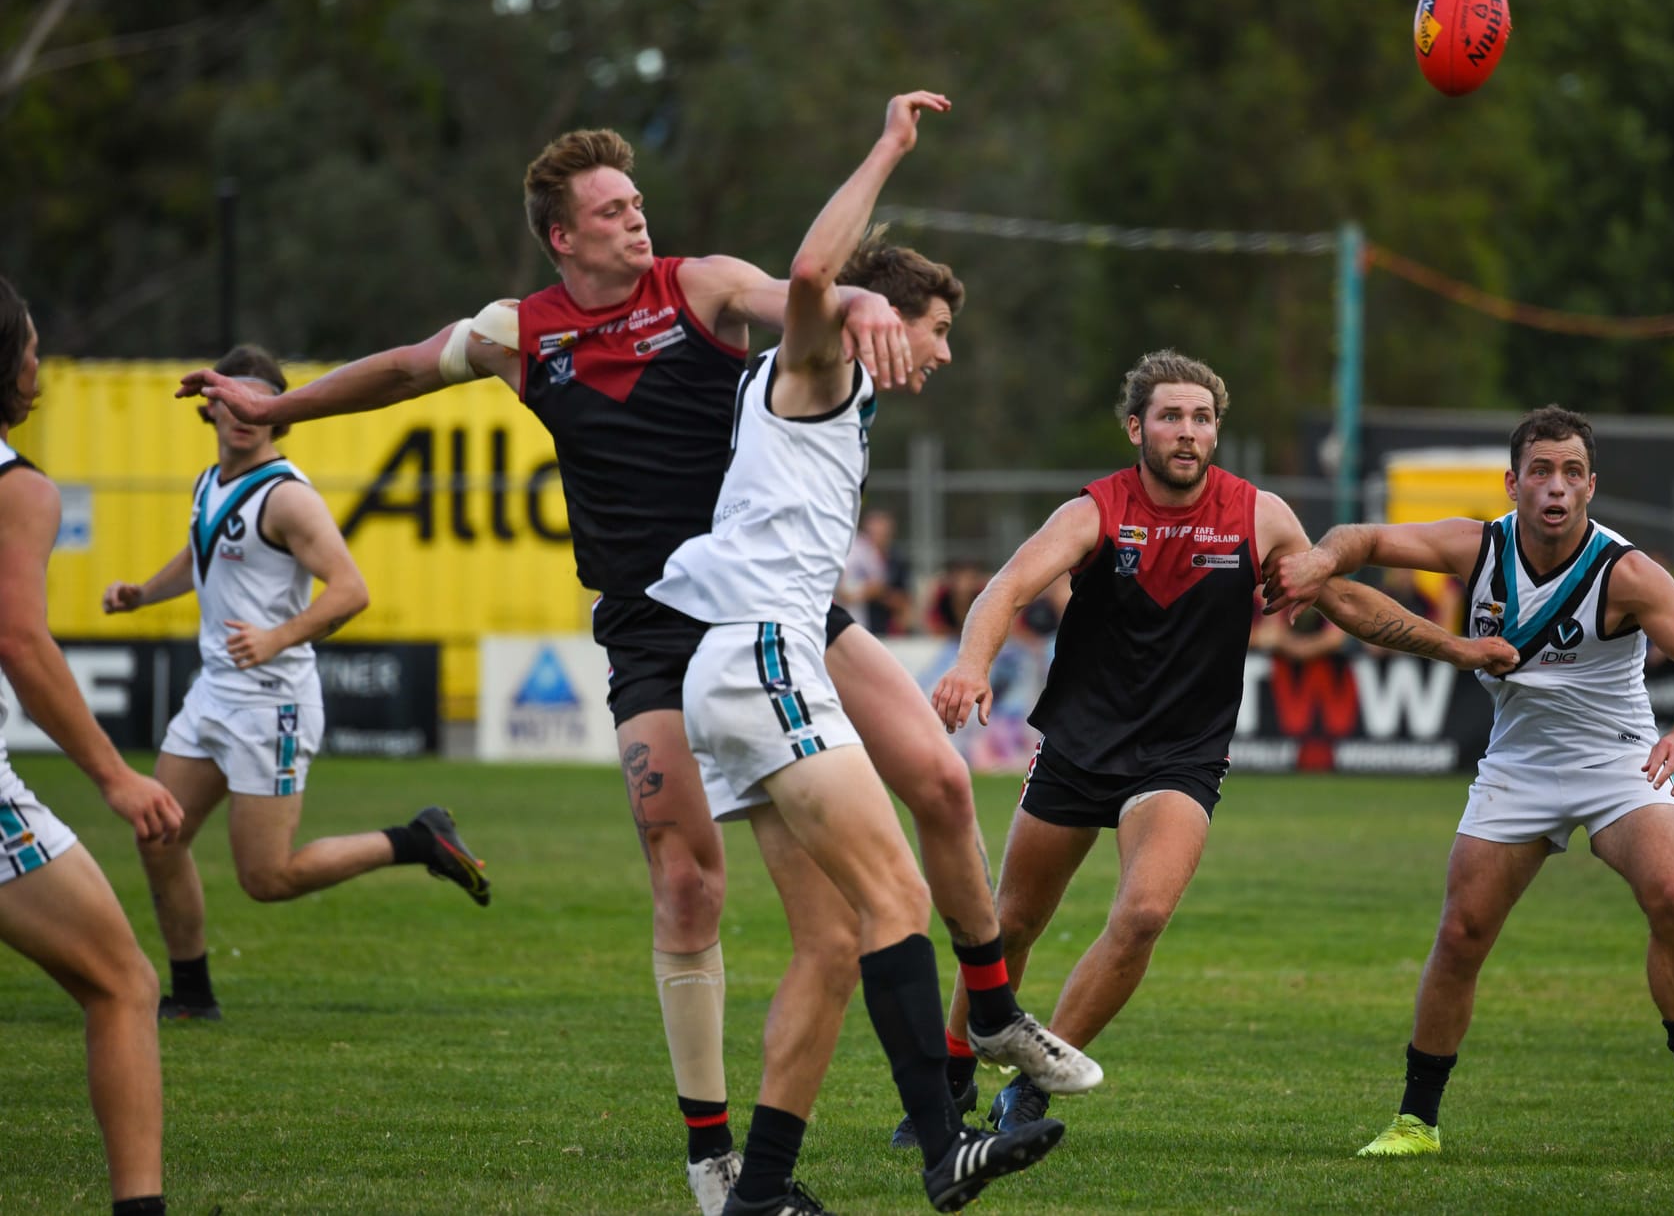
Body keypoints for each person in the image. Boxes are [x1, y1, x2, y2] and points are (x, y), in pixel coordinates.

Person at [179, 97, 1082, 1216]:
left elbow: (787, 291)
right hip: (657, 629)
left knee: (943, 780)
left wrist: (857, 298)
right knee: (690, 878)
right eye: (610, 210)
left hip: (765, 605)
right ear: (560, 235)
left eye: (637, 201)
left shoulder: (696, 286)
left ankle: (984, 1013)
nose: (634, 221)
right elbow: (407, 368)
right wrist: (284, 406)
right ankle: (720, 1162)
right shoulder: (523, 331)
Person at [650, 89, 1088, 1216]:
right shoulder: (821, 364)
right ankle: (947, 1147)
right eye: (936, 330)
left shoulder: (810, 395)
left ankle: (762, 1192)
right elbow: (806, 279)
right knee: (897, 893)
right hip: (760, 662)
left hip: (737, 668)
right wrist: (888, 148)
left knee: (835, 939)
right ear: (884, 318)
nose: (942, 352)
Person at [931, 350, 1521, 1137]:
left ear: (1217, 430)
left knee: (1142, 914)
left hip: (1183, 755)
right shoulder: (1096, 510)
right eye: (1171, 416)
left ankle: (1032, 1088)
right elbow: (1007, 586)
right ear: (1137, 426)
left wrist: (1457, 648)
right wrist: (972, 663)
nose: (1187, 431)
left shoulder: (1258, 513)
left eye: (1202, 417)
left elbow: (1335, 593)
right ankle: (949, 1080)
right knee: (1012, 923)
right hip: (1080, 743)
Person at [1265, 404, 1674, 1157]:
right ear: (1513, 481)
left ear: (1592, 485)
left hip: (1619, 757)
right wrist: (1319, 562)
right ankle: (1415, 1120)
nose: (1555, 487)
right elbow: (1361, 539)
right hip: (1520, 763)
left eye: (1571, 472)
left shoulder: (1626, 571)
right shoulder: (1478, 544)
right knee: (1461, 933)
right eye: (1540, 471)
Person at [104, 344, 488, 1022]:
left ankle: (415, 840)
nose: (246, 414)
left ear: (280, 417)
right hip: (214, 694)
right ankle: (192, 993)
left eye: (262, 404)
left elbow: (351, 592)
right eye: (233, 399)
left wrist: (277, 636)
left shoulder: (287, 499)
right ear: (211, 404)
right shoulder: (209, 482)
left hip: (271, 704)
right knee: (158, 837)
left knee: (266, 877)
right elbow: (203, 552)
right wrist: (143, 595)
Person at [0, 275, 182, 1216]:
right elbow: (21, 640)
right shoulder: (18, 487)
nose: (39, 367)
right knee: (124, 982)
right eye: (30, 348)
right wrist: (113, 774)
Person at [837, 506, 910, 634]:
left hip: (885, 630)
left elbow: (904, 602)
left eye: (883, 533)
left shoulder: (897, 560)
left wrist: (879, 593)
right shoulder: (853, 554)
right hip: (856, 624)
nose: (878, 537)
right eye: (874, 533)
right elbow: (845, 592)